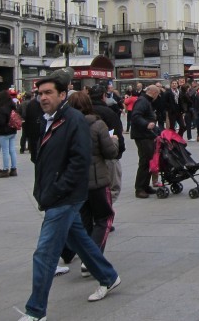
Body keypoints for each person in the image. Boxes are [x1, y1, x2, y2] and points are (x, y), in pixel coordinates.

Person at [17, 68, 121, 321]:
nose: (42, 98)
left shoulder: (73, 120)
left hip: (65, 196)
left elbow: (80, 160)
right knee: (79, 240)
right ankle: (108, 276)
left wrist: (58, 188)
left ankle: (35, 311)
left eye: (48, 93)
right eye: (40, 93)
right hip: (54, 193)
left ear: (62, 95)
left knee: (45, 253)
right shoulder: (46, 119)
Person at [66, 91, 118, 274]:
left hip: (76, 182)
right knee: (104, 218)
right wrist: (115, 141)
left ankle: (85, 258)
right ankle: (92, 259)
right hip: (97, 180)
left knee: (85, 221)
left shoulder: (65, 125)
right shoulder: (97, 125)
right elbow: (110, 152)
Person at [89, 85, 126, 203]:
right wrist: (119, 149)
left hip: (90, 156)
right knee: (112, 189)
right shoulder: (108, 112)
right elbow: (117, 131)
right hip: (108, 154)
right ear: (104, 96)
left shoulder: (85, 111)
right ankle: (105, 214)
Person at [130, 85, 160, 198]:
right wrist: (146, 124)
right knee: (145, 161)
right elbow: (135, 116)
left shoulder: (146, 101)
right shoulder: (143, 101)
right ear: (154, 93)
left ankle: (145, 186)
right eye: (157, 94)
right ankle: (140, 188)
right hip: (142, 136)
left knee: (149, 161)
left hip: (147, 135)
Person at [0, 89, 19, 178]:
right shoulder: (13, 105)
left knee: (5, 151)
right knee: (12, 150)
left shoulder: (3, 108)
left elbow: (1, 122)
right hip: (13, 130)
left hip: (4, 131)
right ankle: (14, 169)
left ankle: (5, 169)